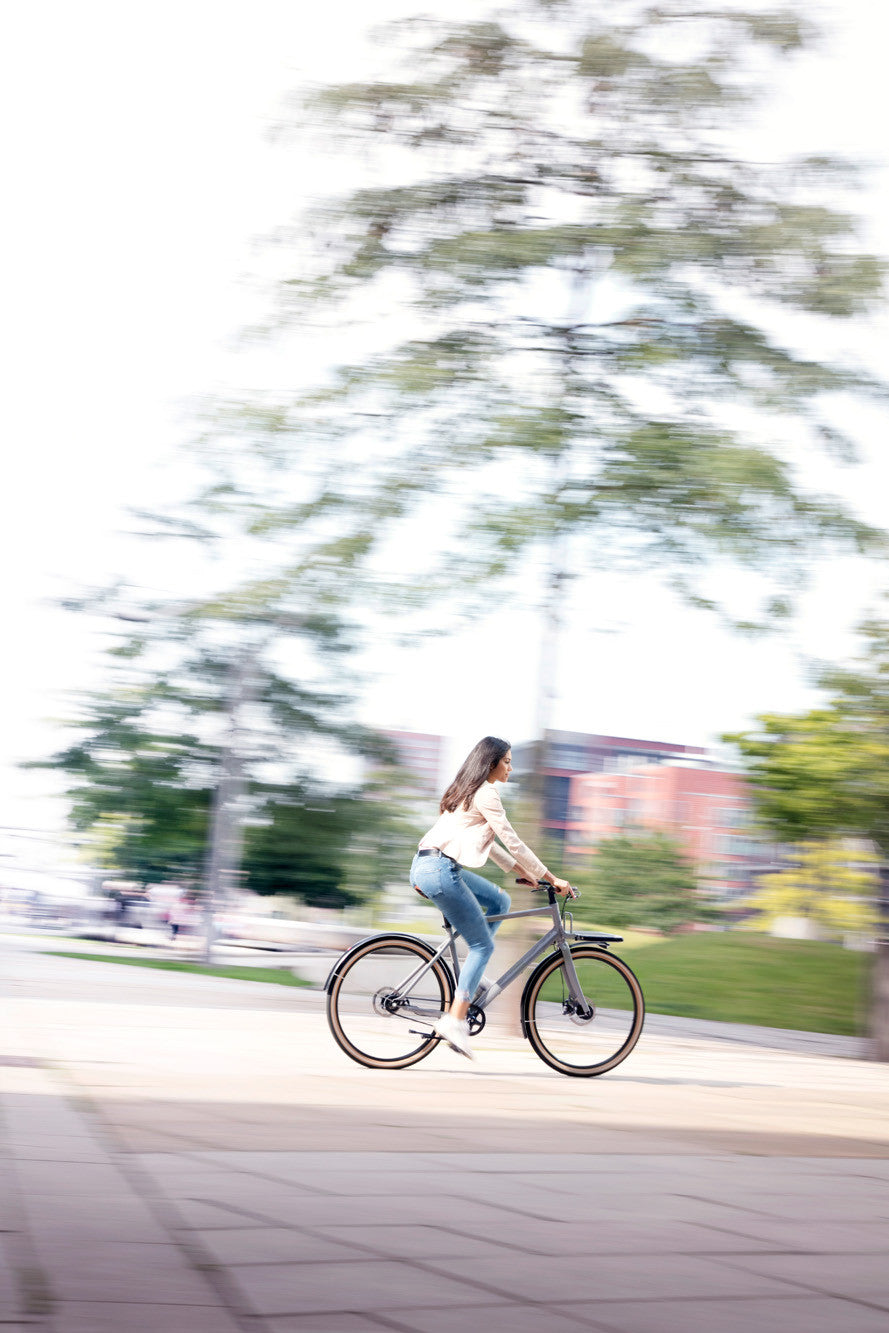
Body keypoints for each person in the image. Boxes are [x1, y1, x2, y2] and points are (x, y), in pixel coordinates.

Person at [411, 735, 573, 1059]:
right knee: (483, 945)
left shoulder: (467, 790)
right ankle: (454, 1021)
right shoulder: (487, 793)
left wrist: (522, 872)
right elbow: (512, 840)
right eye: (507, 761)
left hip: (429, 865)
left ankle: (474, 975)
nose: (511, 768)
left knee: (501, 902)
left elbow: (496, 847)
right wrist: (550, 877)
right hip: (441, 870)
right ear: (492, 763)